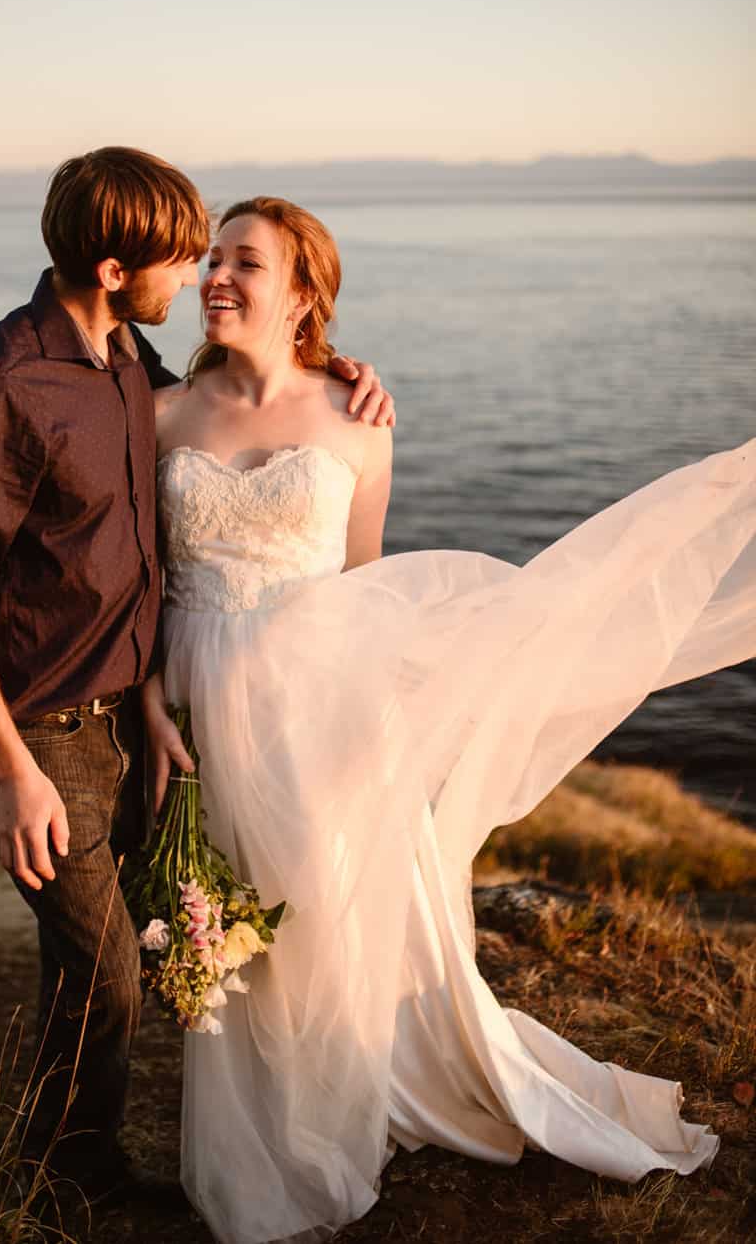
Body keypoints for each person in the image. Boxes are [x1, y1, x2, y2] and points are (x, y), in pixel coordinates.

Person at [145, 195, 756, 1244]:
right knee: (230, 922)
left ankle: (332, 1108)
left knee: (328, 918)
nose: (214, 276)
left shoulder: (358, 419)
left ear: (302, 294)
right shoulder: (155, 415)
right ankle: (254, 1137)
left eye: (244, 260)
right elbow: (137, 577)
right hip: (194, 696)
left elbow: (369, 588)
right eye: (211, 258)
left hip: (315, 704)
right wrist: (152, 691)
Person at [0, 149, 394, 1213]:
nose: (196, 277)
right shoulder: (2, 385)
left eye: (220, 255)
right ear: (117, 267)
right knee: (110, 970)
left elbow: (229, 418)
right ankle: (63, 1182)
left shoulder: (131, 362)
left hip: (139, 714)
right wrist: (11, 769)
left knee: (126, 954)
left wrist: (338, 366)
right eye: (184, 257)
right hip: (48, 735)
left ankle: (78, 1149)